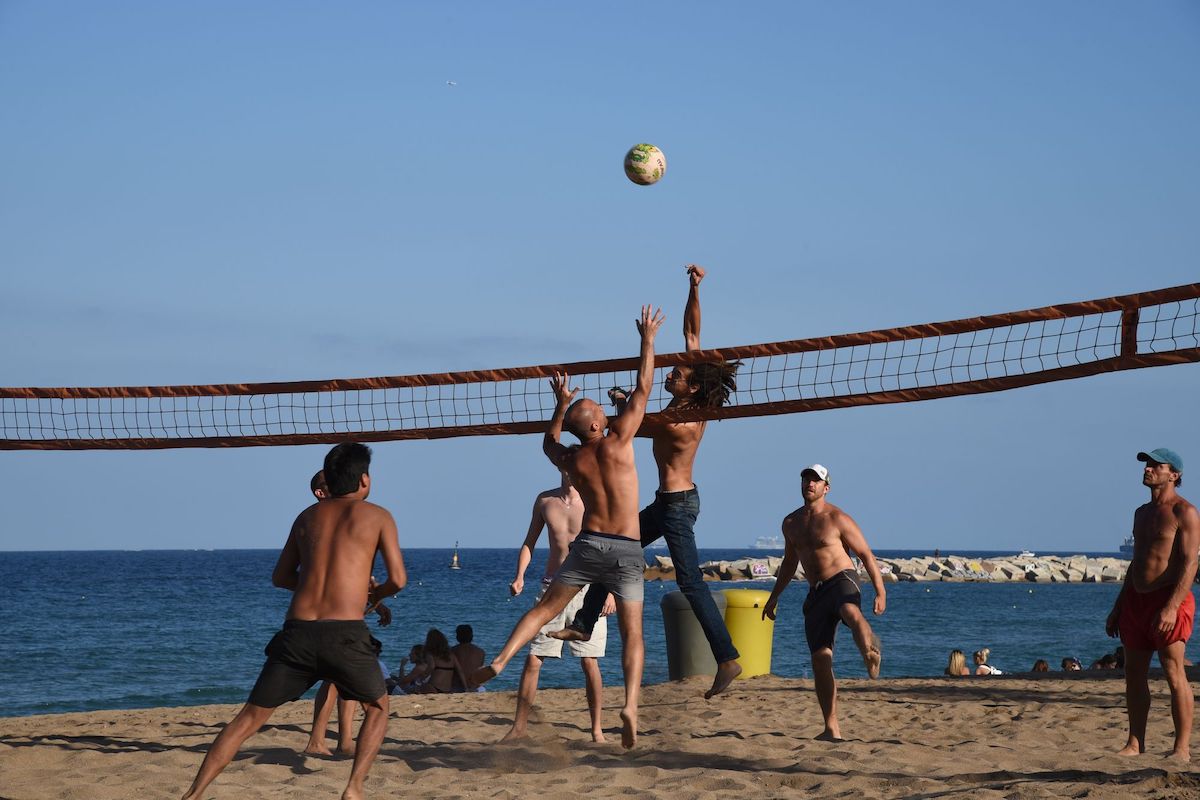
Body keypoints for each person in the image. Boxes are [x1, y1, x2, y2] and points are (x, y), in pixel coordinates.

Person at [472, 304, 666, 750]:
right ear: (599, 423)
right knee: (632, 635)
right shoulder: (620, 440)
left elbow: (547, 441)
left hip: (588, 544)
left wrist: (559, 405)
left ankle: (502, 658)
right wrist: (648, 339)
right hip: (626, 548)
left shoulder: (573, 459)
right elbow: (643, 384)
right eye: (600, 409)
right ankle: (631, 706)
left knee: (542, 611)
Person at [556, 265, 743, 699]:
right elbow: (693, 334)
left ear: (692, 389)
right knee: (617, 543)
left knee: (690, 581)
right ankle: (584, 624)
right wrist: (694, 289)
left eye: (678, 376)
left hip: (678, 506)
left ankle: (727, 658)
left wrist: (622, 405)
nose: (672, 376)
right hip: (669, 501)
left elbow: (628, 428)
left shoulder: (679, 423)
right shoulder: (678, 407)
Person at [181, 442, 406, 800]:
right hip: (345, 633)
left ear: (329, 481)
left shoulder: (306, 517)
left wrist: (320, 585)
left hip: (297, 631)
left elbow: (282, 577)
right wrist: (372, 597)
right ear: (364, 479)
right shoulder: (378, 515)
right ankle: (354, 788)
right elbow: (398, 580)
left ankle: (193, 795)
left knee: (248, 719)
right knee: (378, 707)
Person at [762, 463, 885, 742]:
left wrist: (880, 591)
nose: (810, 483)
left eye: (816, 480)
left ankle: (869, 650)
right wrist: (774, 597)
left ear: (825, 488)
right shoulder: (791, 523)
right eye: (806, 479)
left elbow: (865, 554)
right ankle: (831, 728)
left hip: (842, 579)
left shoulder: (838, 518)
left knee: (850, 610)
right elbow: (790, 563)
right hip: (816, 592)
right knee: (820, 659)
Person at [503, 469, 613, 743]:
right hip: (551, 587)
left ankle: (597, 730)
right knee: (533, 659)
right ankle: (519, 728)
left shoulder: (595, 500)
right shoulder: (545, 501)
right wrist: (519, 576)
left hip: (588, 588)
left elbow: (611, 547)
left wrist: (610, 591)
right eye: (566, 464)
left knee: (590, 662)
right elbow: (530, 541)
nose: (571, 470)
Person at [1106, 447, 1199, 761]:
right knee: (1134, 673)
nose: (1148, 469)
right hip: (1136, 599)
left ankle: (1181, 749)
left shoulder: (1184, 512)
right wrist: (1119, 606)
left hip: (1170, 596)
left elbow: (1189, 564)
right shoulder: (1141, 513)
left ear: (1174, 475)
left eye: (1156, 466)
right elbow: (1137, 563)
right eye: (1146, 465)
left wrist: (1171, 606)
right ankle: (1135, 743)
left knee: (1174, 673)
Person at [304, 470, 393, 758]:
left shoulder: (340, 518)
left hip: (346, 609)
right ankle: (318, 740)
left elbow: (357, 567)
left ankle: (342, 740)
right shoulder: (318, 519)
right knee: (335, 678)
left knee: (340, 680)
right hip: (327, 611)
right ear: (321, 492)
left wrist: (377, 602)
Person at [450, 625, 486, 692]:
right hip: (476, 687)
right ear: (471, 636)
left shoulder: (452, 651)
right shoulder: (481, 652)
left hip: (457, 686)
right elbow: (481, 672)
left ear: (457, 637)